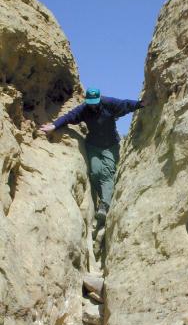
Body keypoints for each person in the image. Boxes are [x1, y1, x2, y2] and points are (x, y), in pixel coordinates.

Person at [40, 87, 145, 223]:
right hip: (93, 146)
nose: (93, 105)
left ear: (99, 99)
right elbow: (70, 116)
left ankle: (104, 205)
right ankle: (104, 196)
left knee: (107, 173)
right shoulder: (84, 109)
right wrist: (54, 126)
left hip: (110, 146)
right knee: (95, 172)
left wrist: (140, 104)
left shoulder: (108, 103)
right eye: (90, 102)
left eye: (95, 102)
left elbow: (124, 104)